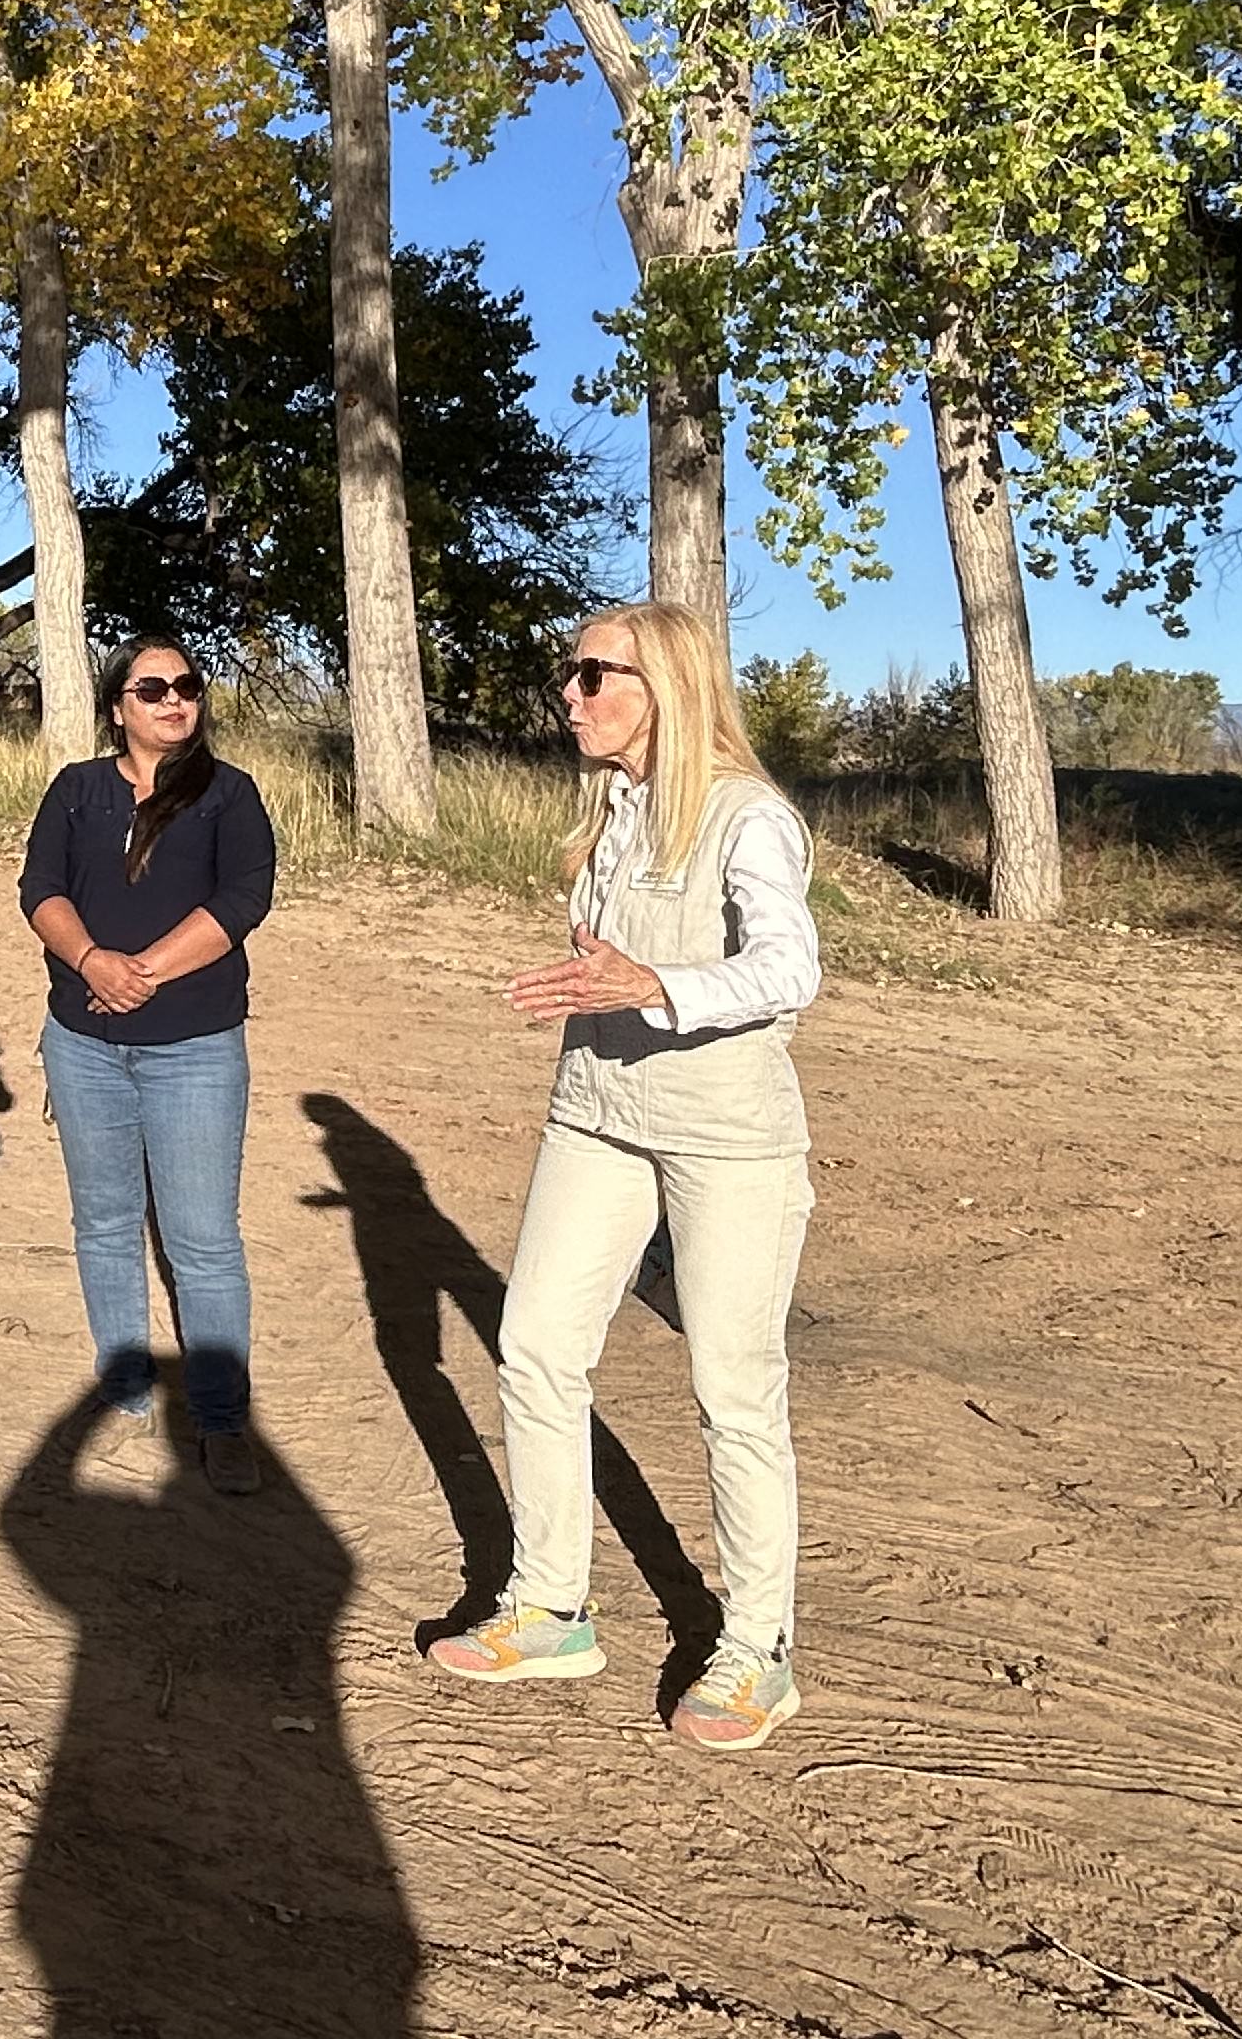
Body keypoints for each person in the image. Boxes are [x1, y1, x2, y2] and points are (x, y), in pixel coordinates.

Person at [431, 598, 821, 1752]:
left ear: (669, 689)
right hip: (596, 1116)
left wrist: (656, 987)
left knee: (735, 1390)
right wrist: (610, 990)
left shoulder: (749, 817)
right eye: (572, 672)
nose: (572, 692)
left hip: (727, 1137)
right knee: (536, 1345)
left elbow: (791, 968)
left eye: (596, 674)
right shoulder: (612, 809)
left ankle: (758, 1648)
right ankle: (550, 1607)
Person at [17, 635, 279, 1495]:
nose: (174, 700)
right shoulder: (77, 790)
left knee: (203, 1240)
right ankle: (124, 1379)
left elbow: (242, 900)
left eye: (187, 687)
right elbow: (41, 890)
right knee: (104, 1221)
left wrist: (142, 972)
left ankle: (222, 1418)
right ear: (117, 707)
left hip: (195, 1049)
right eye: (153, 688)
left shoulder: (228, 794)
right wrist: (91, 962)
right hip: (83, 1046)